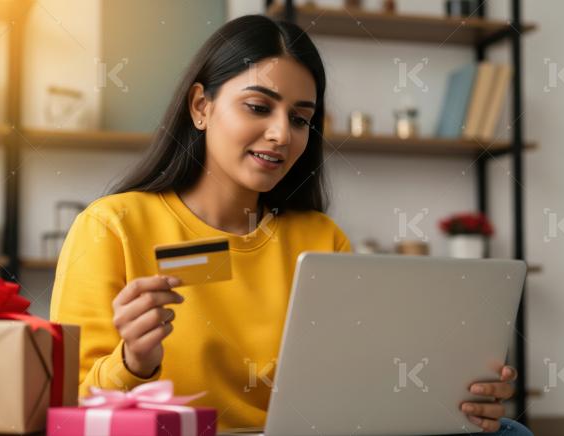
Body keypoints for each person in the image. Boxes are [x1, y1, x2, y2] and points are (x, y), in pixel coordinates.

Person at [49, 14, 532, 436]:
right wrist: (134, 363)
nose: (281, 134)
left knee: (505, 431)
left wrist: (451, 396)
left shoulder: (320, 237)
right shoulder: (112, 226)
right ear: (201, 107)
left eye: (300, 118)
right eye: (259, 107)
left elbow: (358, 383)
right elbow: (67, 409)